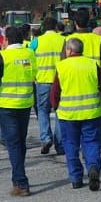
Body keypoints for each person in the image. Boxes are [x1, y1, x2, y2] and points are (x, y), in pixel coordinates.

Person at [50, 37, 101, 191]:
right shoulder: (92, 64)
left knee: (71, 145)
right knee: (91, 143)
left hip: (68, 115)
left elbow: (55, 91)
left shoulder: (62, 66)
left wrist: (55, 106)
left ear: (69, 50)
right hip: (91, 113)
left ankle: (76, 178)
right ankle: (93, 167)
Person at [0, 25, 36, 196]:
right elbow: (33, 75)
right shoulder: (29, 54)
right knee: (20, 142)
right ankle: (18, 178)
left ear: (6, 40)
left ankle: (21, 183)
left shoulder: (3, 56)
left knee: (13, 143)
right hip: (25, 104)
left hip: (8, 106)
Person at [34, 17, 66, 156]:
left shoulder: (36, 42)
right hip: (60, 82)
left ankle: (46, 138)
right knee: (59, 112)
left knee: (43, 111)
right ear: (56, 27)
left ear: (43, 27)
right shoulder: (63, 40)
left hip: (42, 82)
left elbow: (30, 58)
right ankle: (60, 144)